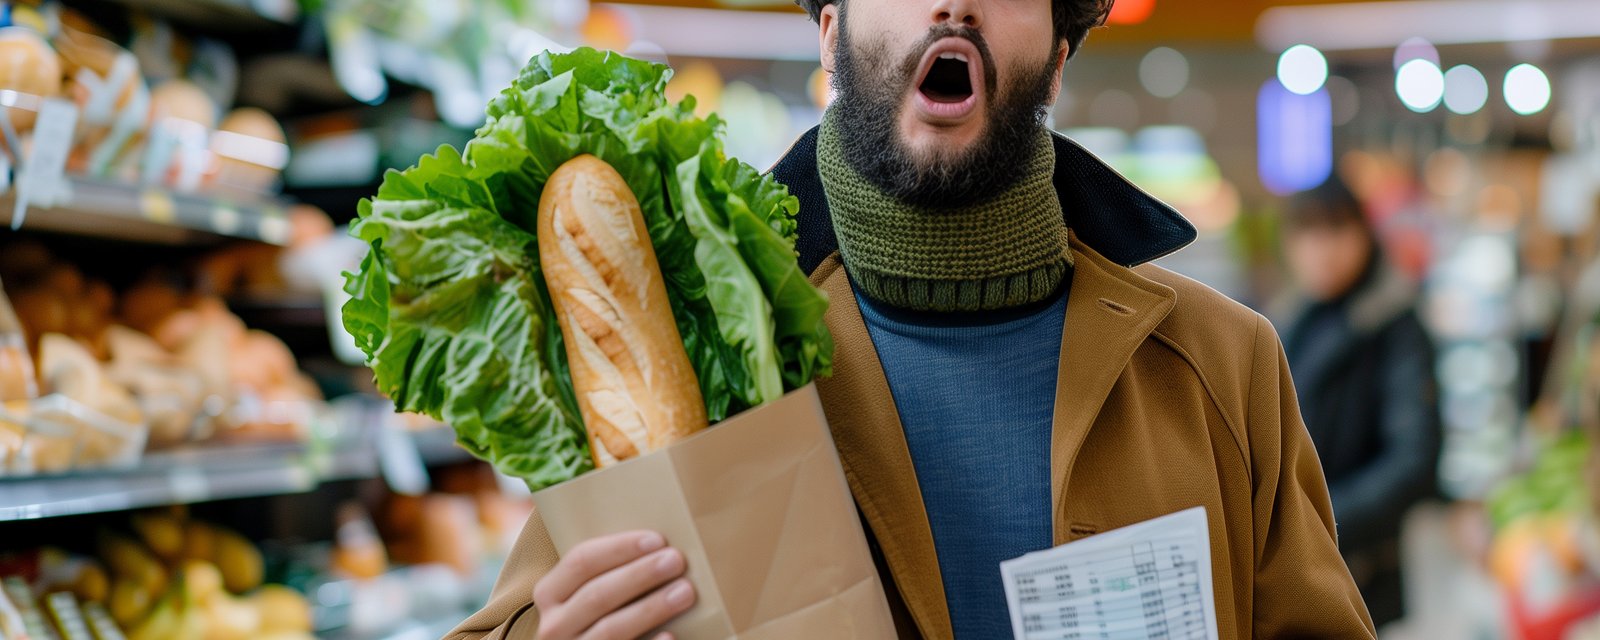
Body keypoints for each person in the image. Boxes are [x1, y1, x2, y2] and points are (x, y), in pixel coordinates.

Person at [450, 0, 1377, 636]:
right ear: (829, 31)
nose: (954, 3)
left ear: (1058, 50)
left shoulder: (1222, 360)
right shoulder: (695, 363)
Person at [1278, 178, 1442, 630]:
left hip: (1361, 564)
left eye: (1337, 231)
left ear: (1365, 235)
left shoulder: (1396, 326)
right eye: (1307, 233)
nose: (1322, 249)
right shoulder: (1291, 321)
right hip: (1295, 564)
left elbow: (1415, 459)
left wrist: (1319, 524)